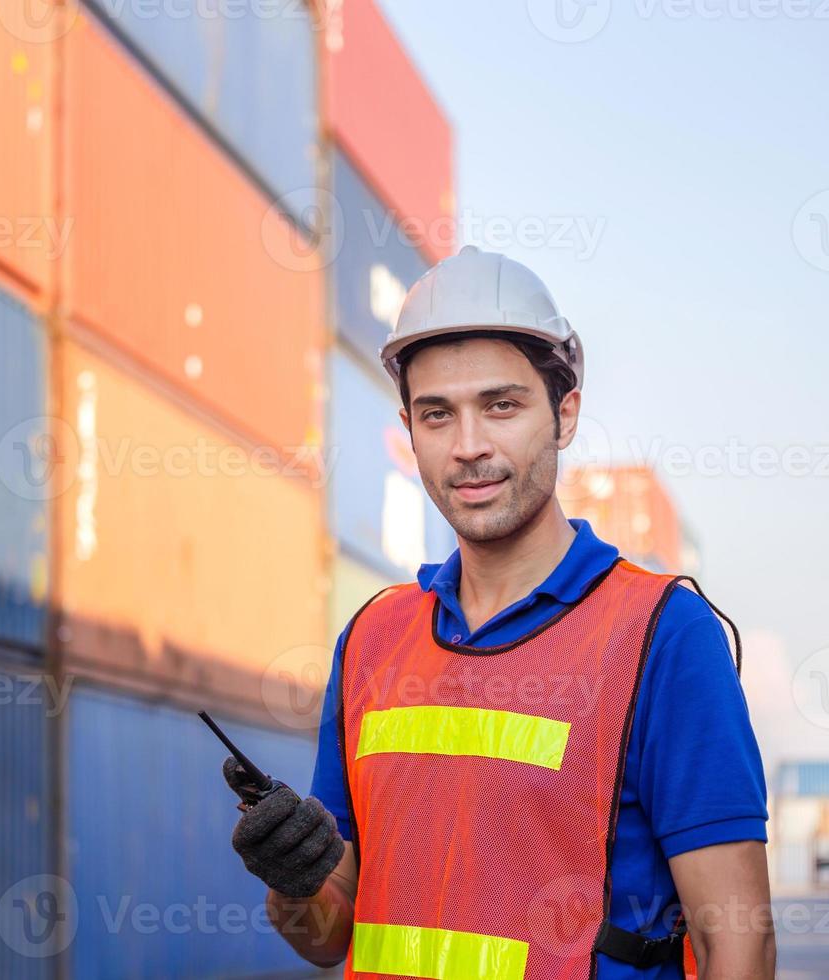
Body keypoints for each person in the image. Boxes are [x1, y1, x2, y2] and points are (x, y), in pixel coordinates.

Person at [223, 246, 774, 978]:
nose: (469, 447)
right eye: (437, 415)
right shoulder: (370, 641)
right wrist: (291, 884)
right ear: (409, 431)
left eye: (501, 405)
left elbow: (740, 940)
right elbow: (328, 936)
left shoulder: (662, 637)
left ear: (565, 414)